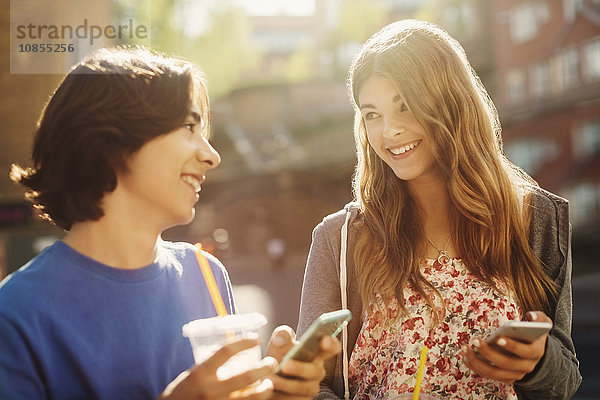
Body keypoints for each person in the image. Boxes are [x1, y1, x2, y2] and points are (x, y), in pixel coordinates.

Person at [0, 46, 340, 400]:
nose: (212, 155)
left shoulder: (206, 274)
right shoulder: (17, 316)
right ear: (112, 140)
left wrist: (276, 393)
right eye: (188, 127)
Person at [297, 19, 581, 400]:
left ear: (450, 104)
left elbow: (565, 382)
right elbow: (307, 381)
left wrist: (539, 361)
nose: (389, 131)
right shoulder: (339, 238)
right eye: (372, 114)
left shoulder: (534, 218)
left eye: (405, 107)